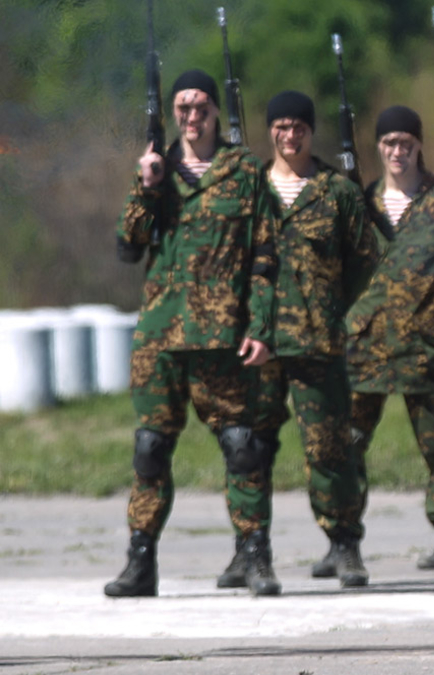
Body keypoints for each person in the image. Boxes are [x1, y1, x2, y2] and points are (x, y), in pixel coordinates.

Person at [105, 69, 278, 597]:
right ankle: (140, 560)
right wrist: (147, 184)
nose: (192, 115)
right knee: (150, 448)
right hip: (160, 338)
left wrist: (262, 325)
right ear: (173, 114)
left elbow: (267, 257)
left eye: (201, 106)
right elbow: (128, 245)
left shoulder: (244, 171)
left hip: (222, 337)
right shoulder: (158, 172)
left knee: (243, 446)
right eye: (183, 107)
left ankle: (254, 555)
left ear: (215, 111)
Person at [235, 91, 379, 590]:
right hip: (258, 344)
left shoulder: (336, 191)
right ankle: (252, 552)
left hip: (317, 343)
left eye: (298, 127)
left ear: (310, 132)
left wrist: (337, 312)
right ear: (269, 130)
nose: (289, 135)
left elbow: (365, 260)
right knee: (250, 448)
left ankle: (345, 545)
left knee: (330, 449)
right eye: (281, 126)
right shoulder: (250, 188)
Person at [344, 105, 434, 576]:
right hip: (366, 343)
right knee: (347, 442)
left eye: (406, 142)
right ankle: (342, 540)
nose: (398, 151)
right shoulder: (362, 203)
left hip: (425, 343)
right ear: (378, 147)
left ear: (419, 145)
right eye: (389, 143)